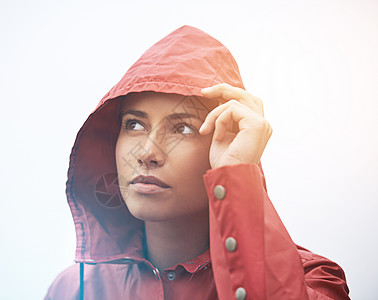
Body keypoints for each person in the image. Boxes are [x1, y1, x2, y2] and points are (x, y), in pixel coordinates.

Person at [44, 25, 350, 299]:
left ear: (225, 142)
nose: (146, 153)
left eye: (183, 128)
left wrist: (238, 172)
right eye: (134, 124)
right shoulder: (74, 289)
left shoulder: (316, 280)